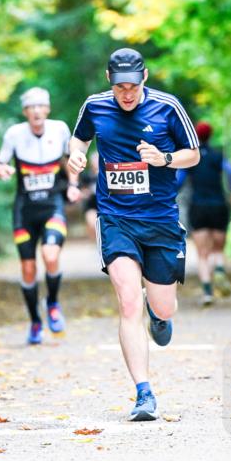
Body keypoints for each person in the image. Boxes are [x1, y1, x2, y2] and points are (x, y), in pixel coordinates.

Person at [68, 48, 200, 421]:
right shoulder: (95, 106)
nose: (126, 94)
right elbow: (79, 139)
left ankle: (158, 314)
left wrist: (165, 159)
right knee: (128, 302)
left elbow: (193, 153)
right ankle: (144, 394)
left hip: (160, 220)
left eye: (132, 86)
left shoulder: (167, 107)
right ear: (109, 81)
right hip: (116, 218)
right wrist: (75, 155)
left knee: (164, 306)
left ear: (144, 78)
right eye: (119, 87)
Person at [0, 87, 81, 344]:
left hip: (52, 205)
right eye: (31, 107)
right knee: (28, 268)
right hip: (24, 211)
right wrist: (1, 171)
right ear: (25, 112)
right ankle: (35, 321)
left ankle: (52, 303)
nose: (36, 111)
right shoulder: (14, 134)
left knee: (50, 255)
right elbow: (0, 163)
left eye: (40, 106)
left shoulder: (60, 129)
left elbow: (70, 160)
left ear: (47, 109)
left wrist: (73, 185)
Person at [178, 121, 231, 305]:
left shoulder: (191, 157)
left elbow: (179, 179)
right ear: (210, 136)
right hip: (218, 204)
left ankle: (208, 293)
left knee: (202, 254)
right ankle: (219, 270)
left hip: (198, 206)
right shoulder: (218, 155)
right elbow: (230, 171)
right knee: (218, 248)